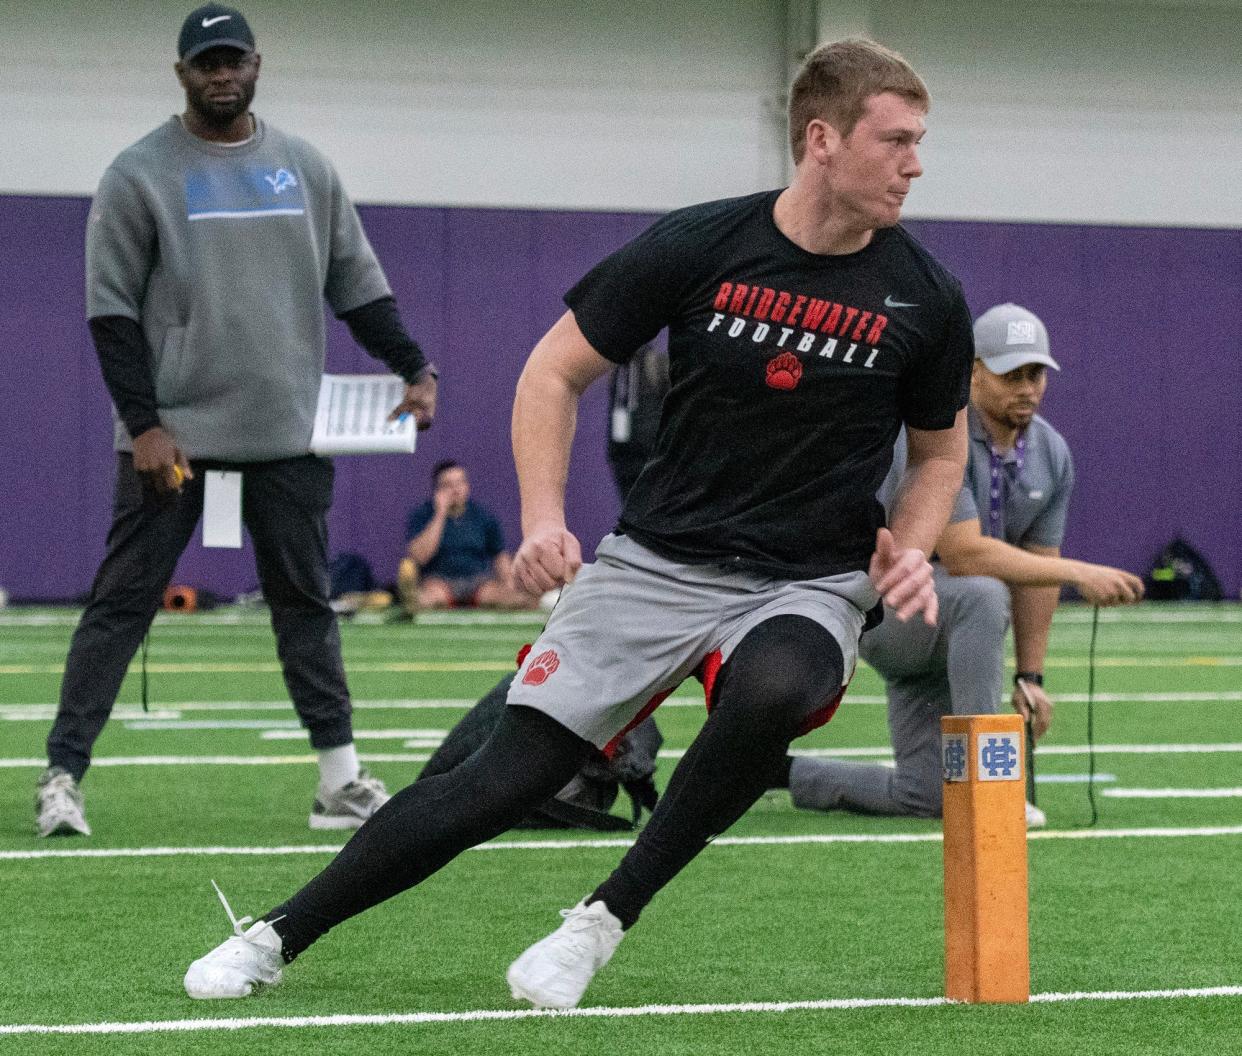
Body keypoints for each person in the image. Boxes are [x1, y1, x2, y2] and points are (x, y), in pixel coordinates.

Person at [183, 38, 972, 1009]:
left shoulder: (926, 297)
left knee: (771, 692)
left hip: (806, 580)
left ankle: (598, 923)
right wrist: (544, 518)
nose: (915, 164)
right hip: (655, 564)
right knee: (503, 778)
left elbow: (938, 453)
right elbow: (553, 372)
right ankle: (276, 934)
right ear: (822, 139)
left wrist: (916, 545)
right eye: (895, 141)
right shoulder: (698, 246)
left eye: (918, 143)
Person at [34, 3, 438, 839]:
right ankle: (62, 778)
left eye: (234, 60)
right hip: (170, 441)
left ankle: (339, 782)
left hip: (285, 433)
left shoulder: (304, 167)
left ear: (257, 63)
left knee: (306, 606)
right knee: (121, 607)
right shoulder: (139, 173)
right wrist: (142, 423)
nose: (222, 74)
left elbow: (357, 285)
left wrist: (412, 365)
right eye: (205, 63)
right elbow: (110, 314)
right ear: (181, 73)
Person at [784, 303, 1144, 826]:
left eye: (1036, 373)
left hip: (954, 631)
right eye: (1011, 374)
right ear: (973, 371)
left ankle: (779, 772)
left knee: (928, 796)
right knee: (982, 591)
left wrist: (1030, 674)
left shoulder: (1052, 451)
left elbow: (1038, 570)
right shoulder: (936, 434)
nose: (1027, 387)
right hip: (891, 612)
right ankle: (990, 786)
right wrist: (1080, 573)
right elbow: (963, 552)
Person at [395, 460, 541, 613]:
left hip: (478, 582)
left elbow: (499, 556)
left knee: (511, 598)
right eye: (448, 485)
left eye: (460, 482)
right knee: (427, 598)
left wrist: (510, 582)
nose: (456, 490)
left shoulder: (483, 516)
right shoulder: (423, 515)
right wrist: (440, 514)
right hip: (439, 581)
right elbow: (418, 556)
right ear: (437, 490)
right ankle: (411, 600)